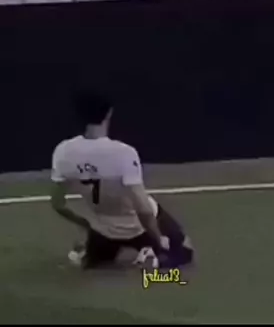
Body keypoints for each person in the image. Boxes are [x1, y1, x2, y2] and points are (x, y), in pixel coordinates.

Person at [51, 90, 194, 269]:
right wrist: (159, 239)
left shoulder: (63, 152)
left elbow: (58, 204)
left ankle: (89, 248)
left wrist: (87, 224)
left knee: (96, 260)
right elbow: (143, 209)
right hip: (138, 228)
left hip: (103, 230)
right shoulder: (123, 153)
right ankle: (149, 248)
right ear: (109, 113)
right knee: (185, 250)